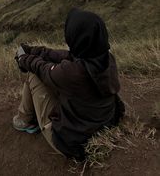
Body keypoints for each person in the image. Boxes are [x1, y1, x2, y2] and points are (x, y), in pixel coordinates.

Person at [13, 8, 125, 160]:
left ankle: (24, 120)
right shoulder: (106, 58)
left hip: (73, 142)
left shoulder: (71, 73)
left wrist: (23, 59)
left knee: (34, 75)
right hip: (104, 123)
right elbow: (66, 56)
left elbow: (41, 68)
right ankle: (27, 117)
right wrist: (34, 50)